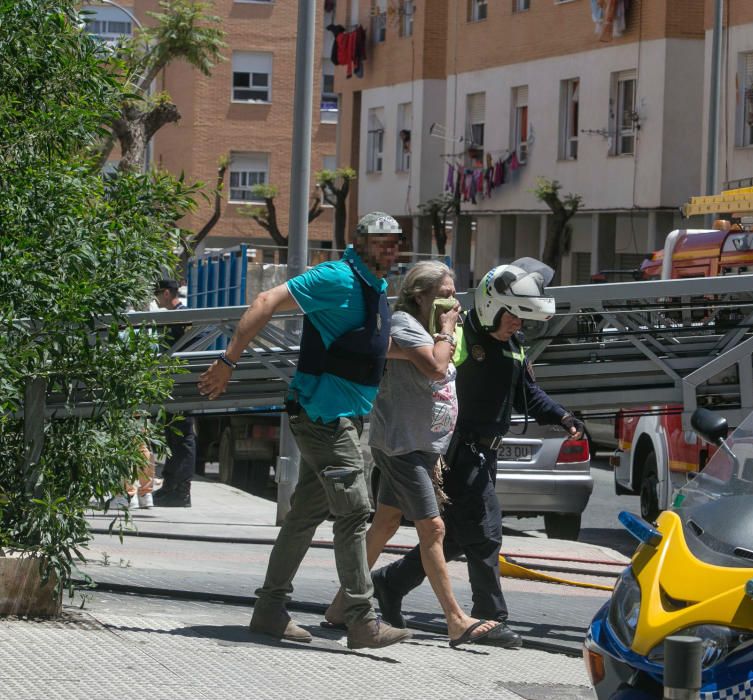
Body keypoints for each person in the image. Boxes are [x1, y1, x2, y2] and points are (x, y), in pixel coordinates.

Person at [196, 212, 411, 650]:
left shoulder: (376, 288)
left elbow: (367, 346)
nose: (390, 249)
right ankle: (361, 620)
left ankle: (269, 610)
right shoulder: (336, 277)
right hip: (325, 419)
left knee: (305, 517)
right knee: (353, 513)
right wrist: (227, 362)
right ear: (361, 241)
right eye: (382, 242)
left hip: (341, 416)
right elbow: (264, 303)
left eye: (396, 243)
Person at [370, 259, 586, 647]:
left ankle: (390, 583)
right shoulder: (460, 337)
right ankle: (490, 617)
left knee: (453, 538)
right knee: (485, 534)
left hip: (487, 454)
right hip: (457, 450)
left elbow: (528, 393)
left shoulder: (514, 347)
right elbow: (430, 372)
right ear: (492, 308)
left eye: (523, 319)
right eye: (513, 316)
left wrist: (563, 416)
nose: (518, 324)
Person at [322, 261, 505, 648]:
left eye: (454, 293)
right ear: (419, 295)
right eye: (444, 294)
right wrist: (446, 331)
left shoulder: (426, 330)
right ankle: (456, 619)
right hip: (402, 445)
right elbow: (436, 368)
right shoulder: (406, 325)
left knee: (386, 523)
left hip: (418, 445)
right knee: (434, 529)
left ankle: (340, 606)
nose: (452, 301)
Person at [153, 278, 197, 508]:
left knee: (182, 437)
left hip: (181, 384)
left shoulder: (183, 315)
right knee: (173, 436)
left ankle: (181, 492)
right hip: (173, 383)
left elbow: (195, 343)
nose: (156, 297)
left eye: (158, 293)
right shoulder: (174, 315)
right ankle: (170, 487)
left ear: (168, 293)